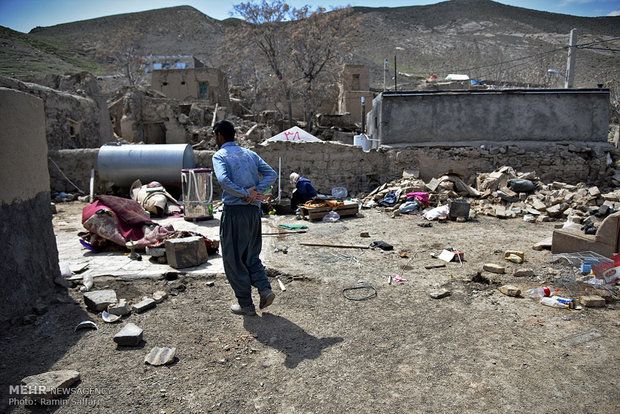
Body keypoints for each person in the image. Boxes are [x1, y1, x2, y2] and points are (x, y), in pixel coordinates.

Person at [212, 120, 277, 316]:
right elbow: (271, 174)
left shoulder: (220, 155)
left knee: (233, 259)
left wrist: (244, 193)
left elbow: (224, 180)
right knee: (251, 255)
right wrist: (256, 192)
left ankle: (245, 304)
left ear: (219, 136)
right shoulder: (250, 154)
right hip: (253, 213)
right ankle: (264, 288)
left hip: (235, 213)